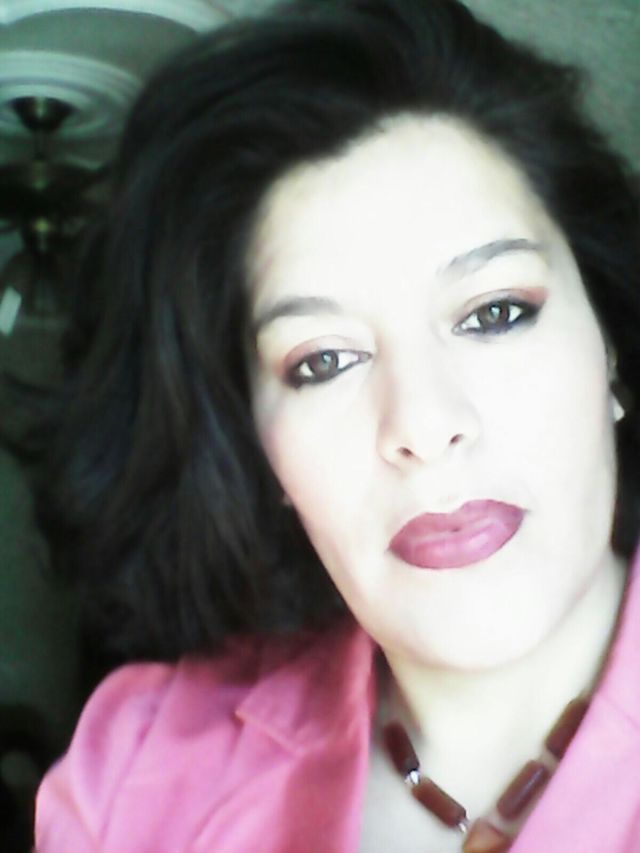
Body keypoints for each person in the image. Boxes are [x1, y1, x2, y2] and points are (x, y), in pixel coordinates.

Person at [33, 0, 640, 850]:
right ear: (258, 446)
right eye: (323, 361)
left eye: (495, 311)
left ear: (609, 341)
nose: (424, 425)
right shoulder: (136, 764)